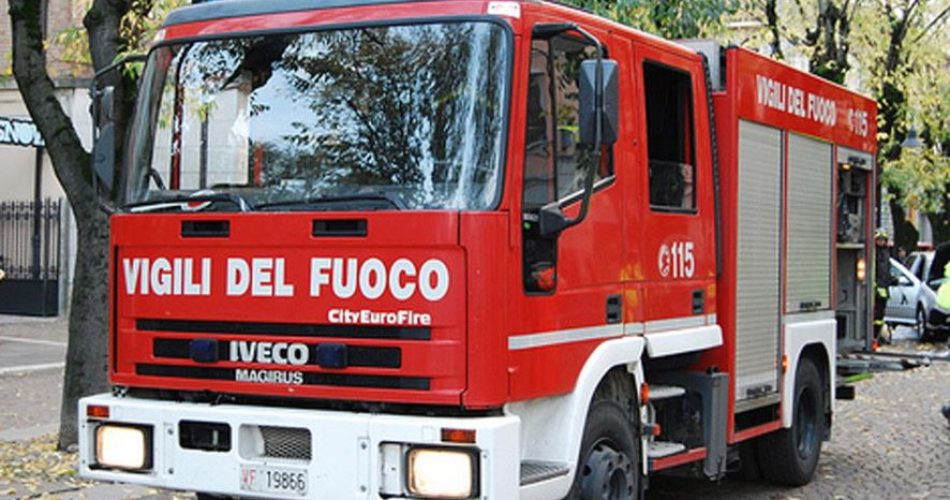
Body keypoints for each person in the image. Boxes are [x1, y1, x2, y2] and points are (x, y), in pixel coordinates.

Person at [873, 228, 893, 345]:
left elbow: (886, 271)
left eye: (883, 240)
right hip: (876, 289)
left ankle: (877, 335)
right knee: (875, 315)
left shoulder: (886, 253)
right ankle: (874, 335)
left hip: (883, 289)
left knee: (880, 315)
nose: (881, 242)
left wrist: (891, 279)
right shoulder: (873, 252)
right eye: (879, 240)